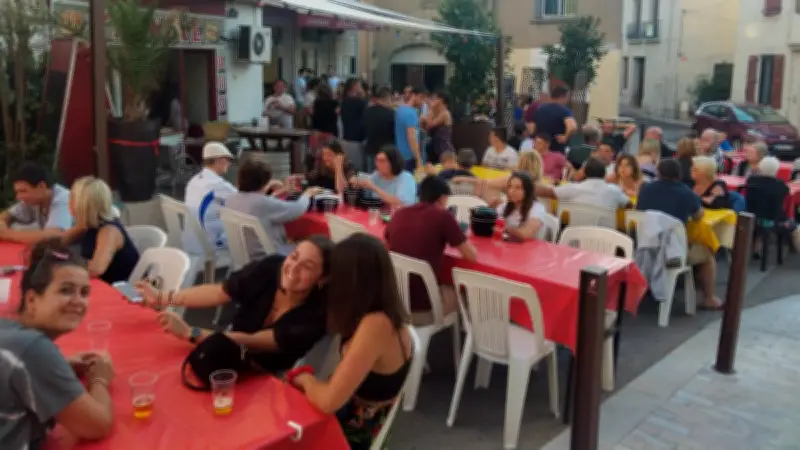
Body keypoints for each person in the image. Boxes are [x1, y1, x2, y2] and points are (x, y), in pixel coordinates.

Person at [287, 233, 412, 450]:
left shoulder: (376, 325)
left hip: (352, 432)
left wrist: (305, 378)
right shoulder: (381, 311)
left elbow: (327, 403)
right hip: (352, 410)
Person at [139, 236, 333, 372]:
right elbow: (219, 293)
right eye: (294, 256)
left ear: (322, 279)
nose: (293, 267)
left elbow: (252, 342)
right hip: (222, 348)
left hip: (265, 376)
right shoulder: (271, 267)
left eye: (307, 266)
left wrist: (191, 333)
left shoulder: (317, 314)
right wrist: (163, 298)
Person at [0, 240, 115, 448]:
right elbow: (97, 425)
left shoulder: (7, 329)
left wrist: (61, 367)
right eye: (66, 290)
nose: (78, 301)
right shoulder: (32, 349)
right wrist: (99, 379)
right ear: (32, 300)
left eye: (84, 292)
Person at [385, 176, 477, 324]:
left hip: (395, 302)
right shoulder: (443, 216)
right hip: (424, 309)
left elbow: (388, 242)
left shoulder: (399, 213)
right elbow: (471, 256)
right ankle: (468, 343)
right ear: (442, 199)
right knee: (467, 293)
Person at [637, 159, 720, 309]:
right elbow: (698, 216)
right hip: (673, 253)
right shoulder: (686, 193)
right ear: (680, 174)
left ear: (658, 173)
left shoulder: (646, 189)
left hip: (645, 247)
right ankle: (709, 298)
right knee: (708, 255)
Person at [226, 158, 322, 258]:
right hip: (268, 257)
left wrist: (276, 194)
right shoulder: (262, 204)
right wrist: (307, 194)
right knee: (310, 246)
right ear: (263, 182)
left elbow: (258, 204)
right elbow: (298, 209)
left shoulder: (231, 199)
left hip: (244, 254)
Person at [67, 177, 139, 284]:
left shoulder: (109, 231)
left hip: (121, 290)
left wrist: (63, 265)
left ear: (82, 204)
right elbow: (60, 240)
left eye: (71, 198)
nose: (69, 202)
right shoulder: (88, 224)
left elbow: (96, 269)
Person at [184, 142, 237, 254]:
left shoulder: (194, 180)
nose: (229, 164)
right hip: (208, 246)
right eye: (228, 160)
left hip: (191, 242)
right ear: (219, 160)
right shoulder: (216, 184)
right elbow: (244, 200)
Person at [0, 163, 72, 245]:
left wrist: (7, 234)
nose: (19, 197)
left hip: (78, 251)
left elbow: (53, 236)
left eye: (23, 191)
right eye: (17, 192)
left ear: (41, 186)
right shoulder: (33, 199)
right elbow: (7, 215)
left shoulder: (63, 199)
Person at [536, 157, 632, 209]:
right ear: (604, 174)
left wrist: (525, 185)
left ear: (585, 173)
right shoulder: (614, 190)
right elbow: (629, 205)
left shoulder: (573, 188)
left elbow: (546, 192)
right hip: (606, 239)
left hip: (575, 237)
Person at [495, 172, 548, 240]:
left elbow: (526, 234)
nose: (511, 191)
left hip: (530, 249)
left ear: (527, 191)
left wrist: (505, 227)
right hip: (508, 246)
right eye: (510, 186)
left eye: (518, 188)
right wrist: (490, 210)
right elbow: (493, 223)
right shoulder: (505, 205)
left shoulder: (537, 208)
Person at [528, 87, 577, 153]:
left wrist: (535, 137)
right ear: (562, 96)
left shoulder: (539, 109)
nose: (567, 100)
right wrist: (565, 137)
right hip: (556, 149)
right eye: (567, 97)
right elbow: (572, 127)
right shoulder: (564, 111)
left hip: (539, 148)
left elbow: (531, 127)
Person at [364, 85, 396, 172]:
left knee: (371, 177)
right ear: (388, 97)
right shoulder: (391, 114)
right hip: (386, 153)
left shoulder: (367, 111)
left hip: (370, 149)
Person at [395, 86, 426, 171]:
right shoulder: (411, 114)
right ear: (418, 96)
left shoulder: (400, 109)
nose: (423, 104)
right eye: (423, 100)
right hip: (409, 157)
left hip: (399, 154)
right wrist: (419, 159)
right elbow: (412, 138)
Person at [340, 78, 368, 171]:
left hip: (346, 138)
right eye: (359, 86)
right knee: (358, 169)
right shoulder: (359, 102)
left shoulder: (344, 102)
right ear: (354, 87)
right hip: (357, 140)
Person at [421, 90, 454, 165]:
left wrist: (431, 108)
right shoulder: (435, 112)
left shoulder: (445, 113)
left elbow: (429, 125)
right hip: (433, 146)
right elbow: (425, 127)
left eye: (435, 98)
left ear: (441, 100)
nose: (433, 100)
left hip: (443, 147)